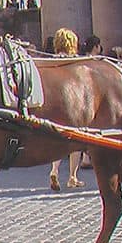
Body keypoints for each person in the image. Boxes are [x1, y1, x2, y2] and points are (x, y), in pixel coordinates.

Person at [49, 27, 84, 190]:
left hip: (55, 105)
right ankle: (72, 176)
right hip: (73, 104)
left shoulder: (51, 61)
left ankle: (54, 170)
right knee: (76, 142)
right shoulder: (75, 62)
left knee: (57, 140)